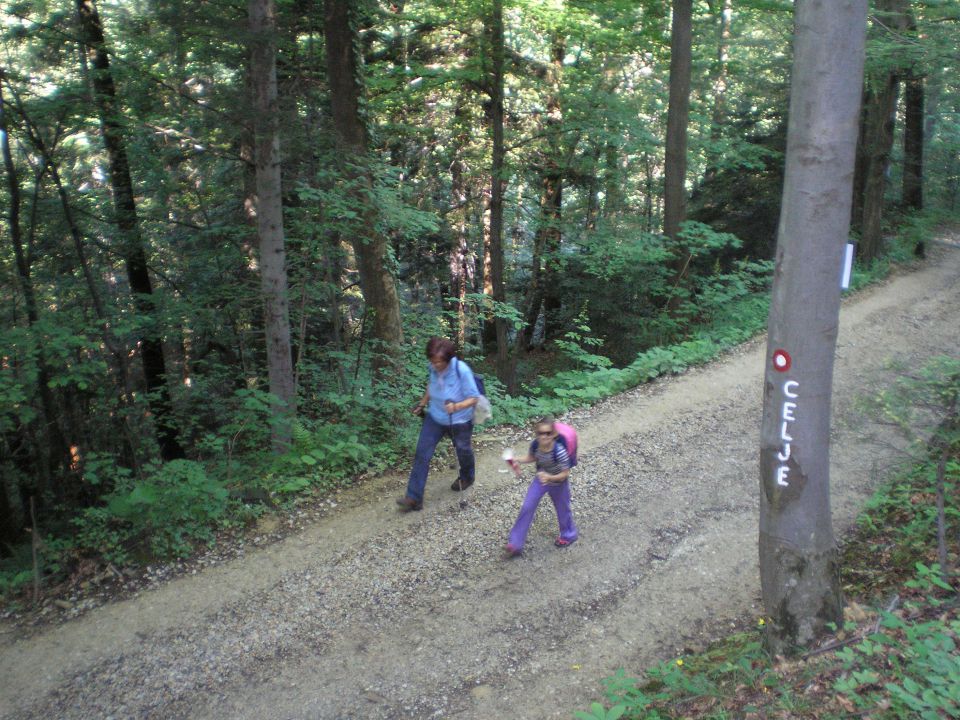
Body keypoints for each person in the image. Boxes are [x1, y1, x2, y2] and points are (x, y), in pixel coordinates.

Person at [397, 337, 480, 512]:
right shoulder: (433, 367)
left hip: (459, 420)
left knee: (463, 450)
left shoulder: (461, 370)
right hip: (435, 417)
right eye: (432, 362)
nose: (434, 365)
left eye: (438, 362)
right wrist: (422, 403)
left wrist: (456, 406)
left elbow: (474, 398)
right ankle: (414, 498)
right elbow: (432, 385)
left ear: (448, 359)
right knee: (422, 454)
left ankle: (467, 476)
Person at [504, 416, 579, 556]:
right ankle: (515, 543)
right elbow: (533, 457)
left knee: (563, 509)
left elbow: (565, 473)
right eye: (540, 433)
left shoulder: (560, 451)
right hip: (541, 480)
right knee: (527, 506)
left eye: (548, 433)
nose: (544, 437)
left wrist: (550, 477)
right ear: (536, 434)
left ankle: (569, 534)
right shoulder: (535, 445)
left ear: (554, 434)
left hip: (558, 483)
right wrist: (517, 459)